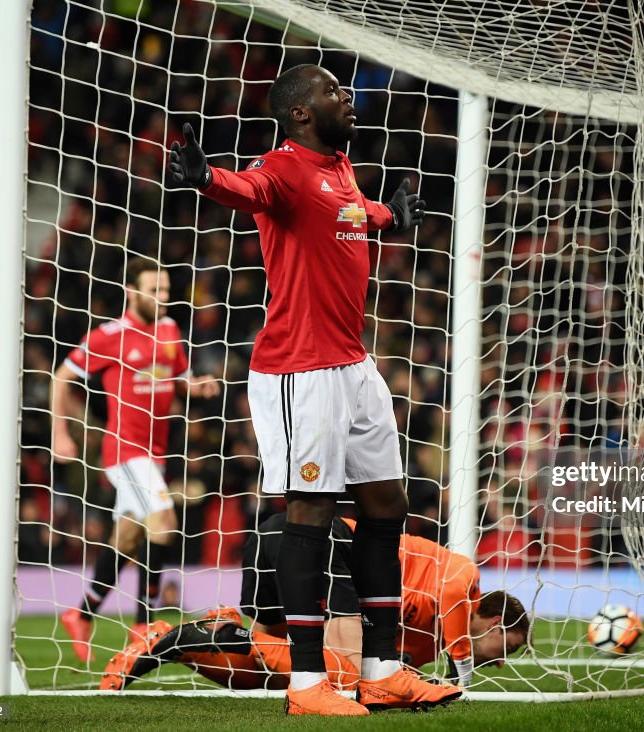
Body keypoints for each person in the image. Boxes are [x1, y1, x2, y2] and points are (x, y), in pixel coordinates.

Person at [168, 64, 439, 716]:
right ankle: (308, 683)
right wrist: (208, 179)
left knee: (385, 506)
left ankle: (383, 670)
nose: (346, 96)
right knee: (309, 511)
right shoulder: (284, 168)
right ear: (299, 113)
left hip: (353, 367)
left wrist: (387, 217)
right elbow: (249, 189)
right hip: (300, 371)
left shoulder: (340, 166)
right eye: (332, 91)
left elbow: (350, 211)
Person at [101, 514, 529, 700]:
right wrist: (463, 673)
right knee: (341, 669)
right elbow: (453, 596)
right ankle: (209, 634)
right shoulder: (464, 578)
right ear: (492, 622)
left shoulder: (428, 644)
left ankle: (172, 639)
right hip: (322, 544)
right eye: (505, 650)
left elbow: (394, 666)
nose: (502, 664)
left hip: (281, 542)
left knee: (270, 674)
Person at [53, 257, 220, 662]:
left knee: (127, 540)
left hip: (156, 453)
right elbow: (62, 376)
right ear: (132, 291)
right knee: (164, 522)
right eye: (154, 290)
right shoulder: (109, 336)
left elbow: (176, 378)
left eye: (165, 290)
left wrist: (195, 387)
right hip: (124, 451)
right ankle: (145, 622)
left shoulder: (170, 330)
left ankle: (81, 612)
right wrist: (59, 432)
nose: (163, 297)